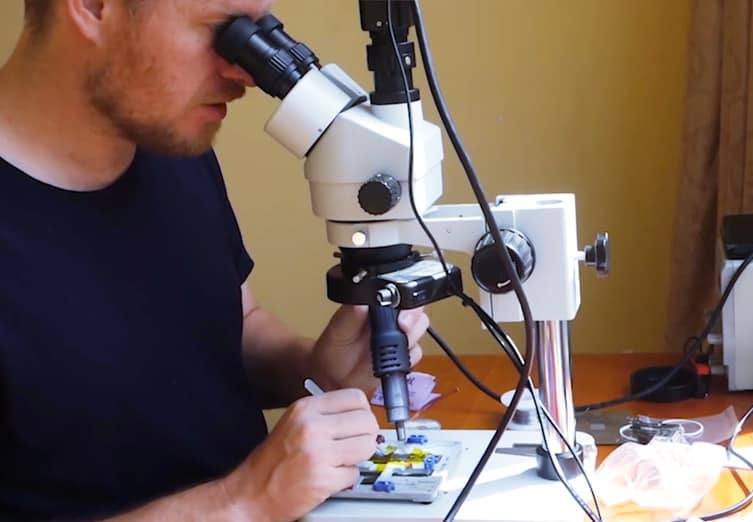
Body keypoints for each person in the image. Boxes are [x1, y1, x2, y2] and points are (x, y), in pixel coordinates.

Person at [0, 0, 430, 520]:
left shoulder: (168, 143)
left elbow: (233, 325)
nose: (244, 72)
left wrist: (314, 368)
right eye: (220, 30)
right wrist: (244, 501)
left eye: (255, 32)